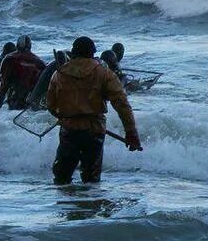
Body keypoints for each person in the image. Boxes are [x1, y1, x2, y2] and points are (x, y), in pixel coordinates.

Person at [46, 36, 142, 185]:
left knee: (61, 178)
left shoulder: (59, 74)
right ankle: (90, 203)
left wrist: (64, 116)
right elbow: (122, 104)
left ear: (73, 52)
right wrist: (131, 132)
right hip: (94, 131)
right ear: (93, 53)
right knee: (91, 179)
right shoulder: (104, 73)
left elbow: (51, 105)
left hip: (69, 131)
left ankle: (66, 206)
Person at [0, 35, 46, 110]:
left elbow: (4, 83)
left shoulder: (9, 59)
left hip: (14, 100)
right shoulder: (38, 62)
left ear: (17, 46)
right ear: (30, 46)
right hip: (31, 100)